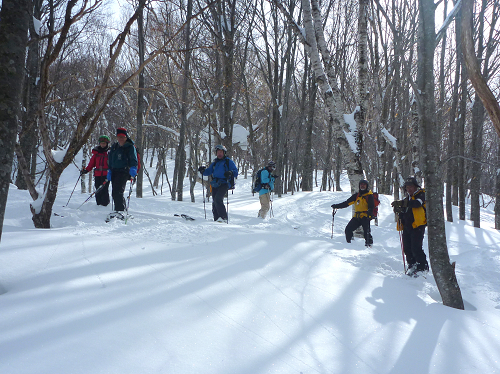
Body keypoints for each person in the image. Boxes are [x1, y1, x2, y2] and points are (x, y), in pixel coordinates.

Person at [391, 177, 429, 276]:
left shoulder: (421, 195)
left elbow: (417, 204)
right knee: (407, 248)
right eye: (407, 187)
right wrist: (399, 211)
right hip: (407, 227)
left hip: (418, 226)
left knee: (416, 248)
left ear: (416, 186)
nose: (409, 189)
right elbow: (405, 211)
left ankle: (422, 267)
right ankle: (412, 265)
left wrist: (402, 204)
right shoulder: (406, 199)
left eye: (411, 187)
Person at [198, 145, 238, 223]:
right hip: (215, 184)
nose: (219, 154)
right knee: (214, 201)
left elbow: (235, 172)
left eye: (221, 152)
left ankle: (223, 218)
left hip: (224, 183)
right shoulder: (215, 163)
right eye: (218, 152)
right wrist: (203, 171)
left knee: (218, 199)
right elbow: (209, 171)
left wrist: (230, 172)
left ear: (224, 153)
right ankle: (216, 219)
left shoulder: (228, 162)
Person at [331, 179, 374, 247]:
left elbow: (372, 207)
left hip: (365, 216)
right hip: (357, 217)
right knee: (348, 229)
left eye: (364, 185)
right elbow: (346, 203)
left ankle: (369, 247)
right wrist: (336, 206)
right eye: (361, 184)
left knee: (367, 233)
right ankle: (350, 245)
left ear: (367, 186)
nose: (362, 186)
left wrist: (370, 213)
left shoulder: (369, 196)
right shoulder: (356, 196)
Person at [107, 128, 138, 214]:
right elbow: (110, 159)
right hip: (114, 171)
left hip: (124, 171)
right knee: (114, 192)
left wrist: (133, 168)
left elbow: (133, 159)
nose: (121, 138)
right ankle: (120, 210)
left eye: (122, 137)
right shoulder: (114, 147)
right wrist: (109, 170)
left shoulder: (130, 146)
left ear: (126, 137)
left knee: (118, 192)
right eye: (119, 136)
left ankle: (120, 211)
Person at [81, 135, 110, 206]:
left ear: (107, 144)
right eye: (101, 143)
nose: (103, 145)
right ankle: (98, 204)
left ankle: (105, 204)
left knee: (104, 189)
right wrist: (86, 170)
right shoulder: (96, 153)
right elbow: (92, 163)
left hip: (106, 174)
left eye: (104, 143)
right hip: (97, 174)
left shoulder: (110, 153)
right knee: (97, 189)